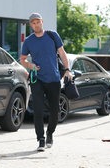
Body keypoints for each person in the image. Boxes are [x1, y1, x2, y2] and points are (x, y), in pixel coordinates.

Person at [20, 13, 73, 152]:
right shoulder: (29, 41)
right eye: (33, 23)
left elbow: (62, 53)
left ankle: (50, 133)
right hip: (37, 79)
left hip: (54, 79)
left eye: (38, 22)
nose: (36, 25)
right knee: (37, 109)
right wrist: (31, 66)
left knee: (54, 110)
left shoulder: (52, 35)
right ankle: (41, 139)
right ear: (30, 25)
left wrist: (67, 69)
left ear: (42, 22)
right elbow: (23, 59)